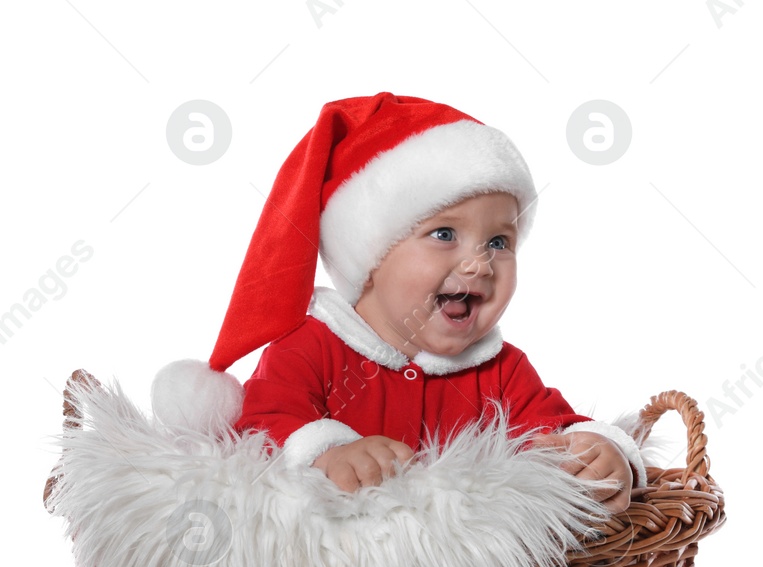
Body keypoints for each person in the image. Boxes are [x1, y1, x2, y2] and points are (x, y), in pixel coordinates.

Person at [149, 92, 644, 512]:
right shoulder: (310, 347)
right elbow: (259, 427)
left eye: (499, 242)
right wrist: (327, 453)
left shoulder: (502, 371)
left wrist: (596, 452)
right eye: (444, 233)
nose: (479, 263)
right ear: (372, 256)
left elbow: (550, 430)